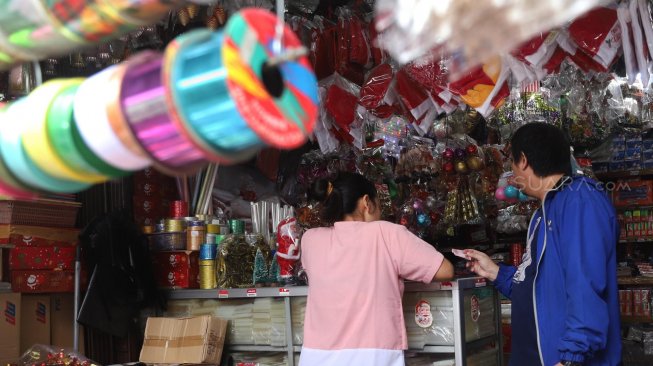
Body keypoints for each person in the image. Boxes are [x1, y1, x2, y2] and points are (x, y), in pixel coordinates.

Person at [464, 123, 621, 366]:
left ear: (523, 160)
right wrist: (495, 271)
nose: (512, 174)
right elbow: (539, 287)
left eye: (512, 164)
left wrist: (571, 359)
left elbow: (584, 285)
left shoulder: (578, 200)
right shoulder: (545, 210)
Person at [298, 172, 454, 366]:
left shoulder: (310, 240)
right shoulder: (386, 233)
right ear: (366, 202)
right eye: (379, 204)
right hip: (372, 357)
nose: (381, 212)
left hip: (316, 357)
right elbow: (445, 270)